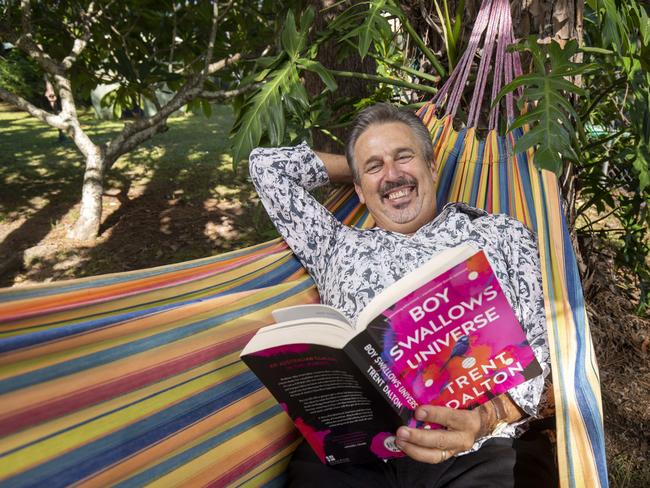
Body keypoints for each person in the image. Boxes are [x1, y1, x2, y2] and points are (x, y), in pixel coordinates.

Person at [249, 103, 554, 487]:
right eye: (375, 166)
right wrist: (363, 170)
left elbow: (542, 351)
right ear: (357, 189)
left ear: (432, 166)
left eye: (404, 157)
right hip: (353, 454)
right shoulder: (334, 245)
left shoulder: (500, 233)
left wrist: (483, 420)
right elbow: (266, 167)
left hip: (475, 446)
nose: (392, 174)